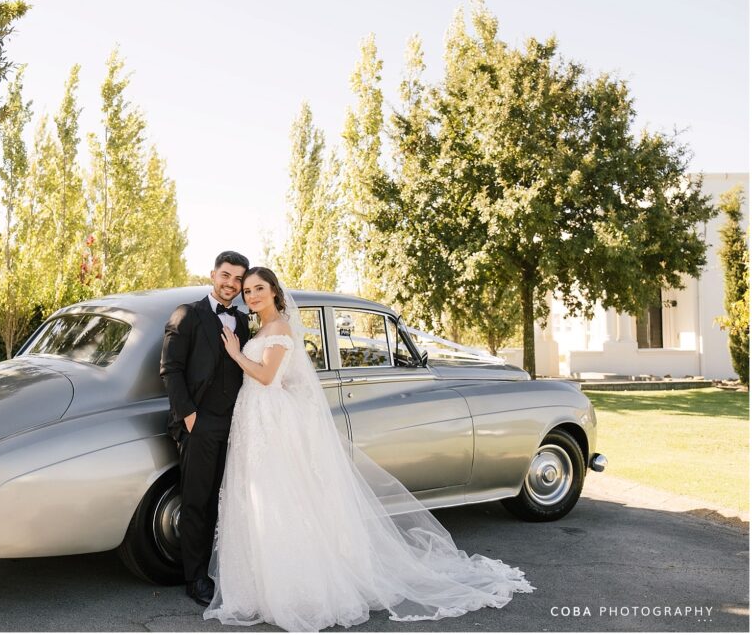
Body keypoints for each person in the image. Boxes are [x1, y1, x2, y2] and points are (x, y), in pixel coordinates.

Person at [206, 267, 534, 632]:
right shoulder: (262, 329)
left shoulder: (280, 328)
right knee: (265, 497)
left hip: (267, 415)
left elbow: (267, 376)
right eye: (247, 290)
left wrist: (236, 354)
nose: (251, 296)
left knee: (284, 498)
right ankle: (264, 584)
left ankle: (296, 586)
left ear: (273, 292)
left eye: (258, 289)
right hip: (258, 417)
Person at [159, 250, 250, 607]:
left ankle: (222, 568)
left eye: (238, 279)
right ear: (213, 275)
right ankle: (195, 577)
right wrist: (191, 419)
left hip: (237, 424)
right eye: (226, 275)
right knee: (197, 501)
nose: (231, 284)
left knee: (226, 500)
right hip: (201, 423)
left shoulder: (242, 322)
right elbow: (170, 369)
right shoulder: (188, 315)